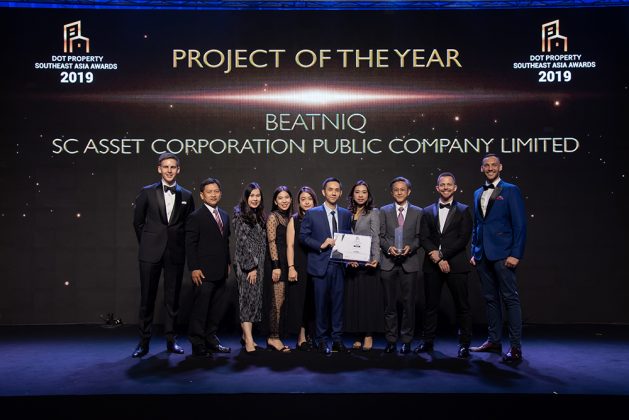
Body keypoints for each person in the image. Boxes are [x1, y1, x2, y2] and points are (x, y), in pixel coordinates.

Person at [131, 152, 195, 358]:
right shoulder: (147, 192)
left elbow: (189, 227)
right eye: (165, 167)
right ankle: (143, 343)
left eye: (173, 167)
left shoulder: (187, 195)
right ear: (159, 169)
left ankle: (171, 340)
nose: (169, 170)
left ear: (178, 169)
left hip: (175, 253)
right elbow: (138, 222)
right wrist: (148, 243)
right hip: (150, 253)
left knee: (172, 299)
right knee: (147, 298)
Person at [470, 154, 527, 363]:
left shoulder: (511, 190)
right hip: (482, 254)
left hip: (504, 254)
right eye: (486, 165)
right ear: (481, 168)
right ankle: (494, 340)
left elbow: (520, 225)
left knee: (510, 299)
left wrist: (515, 254)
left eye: (494, 165)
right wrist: (474, 251)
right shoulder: (477, 192)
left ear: (500, 167)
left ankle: (515, 347)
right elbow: (477, 224)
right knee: (490, 299)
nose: (490, 168)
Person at [415, 172, 473, 358]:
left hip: (457, 264)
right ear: (437, 188)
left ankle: (464, 344)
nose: (446, 187)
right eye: (442, 184)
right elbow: (424, 237)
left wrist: (443, 255)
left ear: (455, 188)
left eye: (449, 184)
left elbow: (463, 239)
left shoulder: (464, 210)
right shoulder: (426, 211)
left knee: (462, 306)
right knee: (430, 306)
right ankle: (427, 341)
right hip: (432, 265)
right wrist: (438, 259)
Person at [300, 177, 352, 355]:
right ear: (323, 192)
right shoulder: (312, 213)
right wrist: (320, 245)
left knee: (338, 305)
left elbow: (348, 238)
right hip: (320, 265)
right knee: (320, 305)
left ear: (341, 193)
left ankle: (337, 340)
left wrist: (352, 256)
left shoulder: (346, 214)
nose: (333, 192)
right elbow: (303, 237)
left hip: (339, 265)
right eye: (330, 189)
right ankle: (321, 340)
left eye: (337, 190)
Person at [185, 177, 232, 358]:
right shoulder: (195, 216)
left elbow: (225, 242)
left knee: (215, 309)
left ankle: (211, 340)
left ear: (220, 193)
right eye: (209, 192)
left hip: (220, 270)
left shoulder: (225, 215)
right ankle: (197, 344)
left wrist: (228, 262)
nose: (213, 194)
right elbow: (190, 244)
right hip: (203, 272)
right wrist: (194, 268)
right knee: (201, 309)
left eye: (216, 191)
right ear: (202, 195)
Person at [379, 176, 423, 354]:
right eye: (396, 190)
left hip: (409, 263)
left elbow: (420, 237)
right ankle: (391, 340)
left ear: (408, 192)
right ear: (392, 192)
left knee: (408, 304)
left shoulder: (418, 212)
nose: (399, 192)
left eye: (402, 189)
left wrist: (410, 248)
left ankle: (406, 340)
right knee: (389, 305)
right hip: (388, 263)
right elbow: (381, 236)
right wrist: (388, 248)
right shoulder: (384, 210)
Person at [344, 180, 383, 351]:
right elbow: (343, 237)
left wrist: (375, 258)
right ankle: (357, 335)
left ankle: (368, 335)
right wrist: (346, 260)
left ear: (368, 195)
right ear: (352, 195)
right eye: (357, 192)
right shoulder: (346, 213)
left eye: (364, 192)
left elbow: (376, 237)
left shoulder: (373, 212)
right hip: (351, 264)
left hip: (368, 264)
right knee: (355, 301)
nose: (360, 195)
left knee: (368, 301)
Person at [233, 182, 267, 354]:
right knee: (246, 302)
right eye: (252, 195)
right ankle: (249, 341)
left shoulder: (259, 215)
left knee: (253, 302)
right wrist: (251, 267)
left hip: (259, 265)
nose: (255, 198)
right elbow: (242, 243)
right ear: (246, 197)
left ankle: (246, 337)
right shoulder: (240, 215)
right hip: (247, 266)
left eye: (257, 195)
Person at [286, 186, 318, 351]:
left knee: (314, 303)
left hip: (317, 264)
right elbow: (290, 246)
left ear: (314, 201)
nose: (306, 202)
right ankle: (301, 337)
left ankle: (313, 336)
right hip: (300, 264)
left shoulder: (320, 217)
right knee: (301, 303)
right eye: (303, 199)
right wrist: (291, 267)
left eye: (309, 199)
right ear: (298, 202)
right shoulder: (294, 219)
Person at [264, 186, 293, 352]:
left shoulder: (289, 217)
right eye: (280, 198)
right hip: (277, 263)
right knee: (276, 301)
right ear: (275, 201)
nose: (284, 201)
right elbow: (271, 242)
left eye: (287, 197)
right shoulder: (273, 217)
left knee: (283, 302)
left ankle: (278, 335)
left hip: (287, 262)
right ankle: (273, 337)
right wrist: (276, 266)